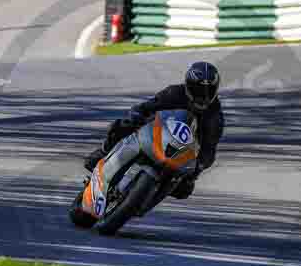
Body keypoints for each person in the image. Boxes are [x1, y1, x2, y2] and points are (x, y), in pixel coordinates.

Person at [84, 62, 224, 199]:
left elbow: (209, 149)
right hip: (156, 133)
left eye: (208, 91)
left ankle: (149, 195)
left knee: (184, 189)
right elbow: (147, 107)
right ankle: (104, 152)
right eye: (198, 90)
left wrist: (198, 168)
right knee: (124, 125)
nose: (203, 96)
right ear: (188, 86)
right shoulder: (174, 93)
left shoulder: (215, 116)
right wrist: (137, 115)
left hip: (181, 152)